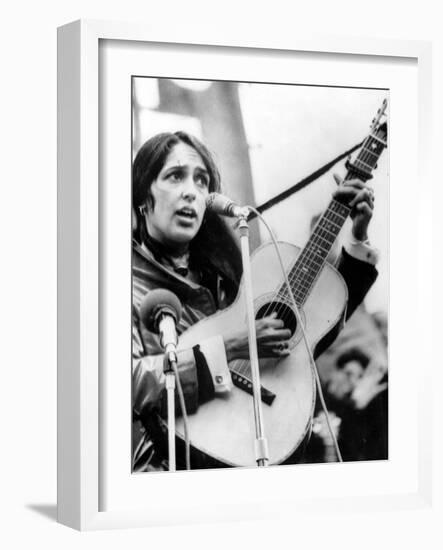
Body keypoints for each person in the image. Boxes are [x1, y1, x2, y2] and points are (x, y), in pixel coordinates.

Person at [132, 130, 379, 471]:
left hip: (251, 459)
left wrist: (357, 236)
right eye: (175, 176)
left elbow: (309, 335)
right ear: (143, 194)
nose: (192, 191)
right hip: (165, 468)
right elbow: (120, 385)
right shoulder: (117, 283)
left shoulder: (228, 275)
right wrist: (231, 346)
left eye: (202, 181)